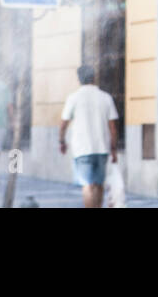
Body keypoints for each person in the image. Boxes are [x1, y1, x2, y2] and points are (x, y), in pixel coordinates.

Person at [59, 65, 119, 208]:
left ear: (79, 79)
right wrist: (114, 149)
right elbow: (113, 127)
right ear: (94, 77)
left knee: (87, 186)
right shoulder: (106, 97)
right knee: (98, 185)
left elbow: (63, 123)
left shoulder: (73, 98)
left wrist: (61, 141)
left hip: (82, 149)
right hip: (102, 148)